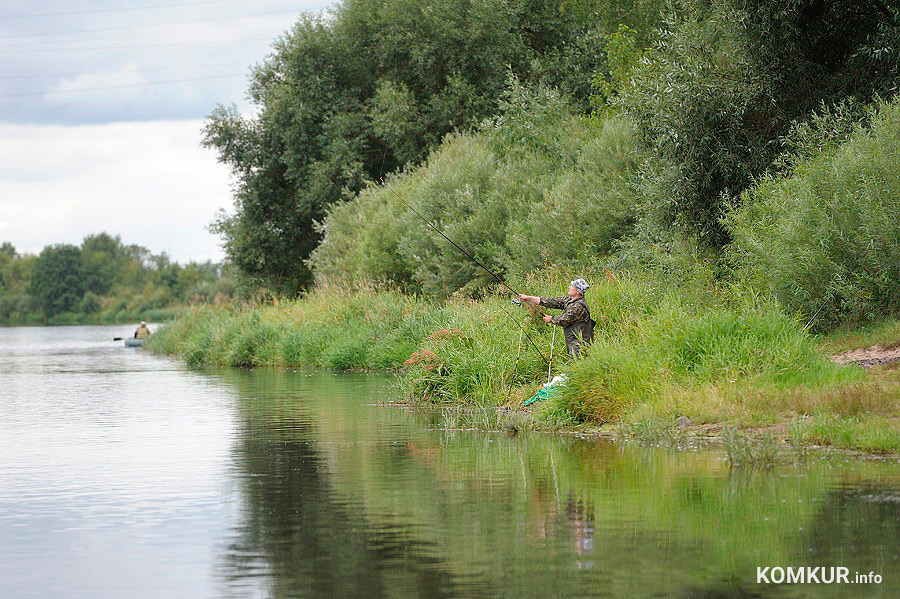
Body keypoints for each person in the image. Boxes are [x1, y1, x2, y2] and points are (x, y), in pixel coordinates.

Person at [519, 278, 594, 358]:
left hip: (580, 344)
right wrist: (527, 298)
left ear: (578, 291)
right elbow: (550, 301)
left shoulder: (578, 306)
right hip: (573, 341)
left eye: (572, 286)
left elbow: (564, 320)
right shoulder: (569, 300)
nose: (569, 287)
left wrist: (550, 319)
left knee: (577, 363)